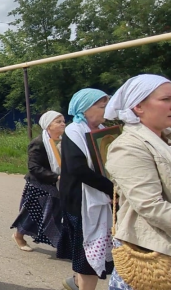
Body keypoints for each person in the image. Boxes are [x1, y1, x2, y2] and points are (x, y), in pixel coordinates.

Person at [104, 74, 171, 290]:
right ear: (138, 106)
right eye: (166, 99)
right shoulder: (128, 147)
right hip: (153, 256)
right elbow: (151, 206)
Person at [58, 88, 114, 290]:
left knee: (85, 252)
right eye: (101, 106)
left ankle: (75, 282)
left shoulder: (101, 130)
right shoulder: (74, 131)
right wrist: (112, 188)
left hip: (95, 198)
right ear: (85, 108)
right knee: (88, 256)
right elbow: (78, 169)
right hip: (81, 202)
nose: (106, 110)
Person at [11, 111, 67, 252]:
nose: (63, 124)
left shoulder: (63, 140)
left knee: (53, 214)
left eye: (63, 121)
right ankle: (18, 236)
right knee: (32, 214)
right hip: (39, 184)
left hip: (56, 186)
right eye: (58, 121)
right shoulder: (38, 143)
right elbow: (34, 167)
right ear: (48, 126)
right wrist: (56, 177)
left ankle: (62, 243)